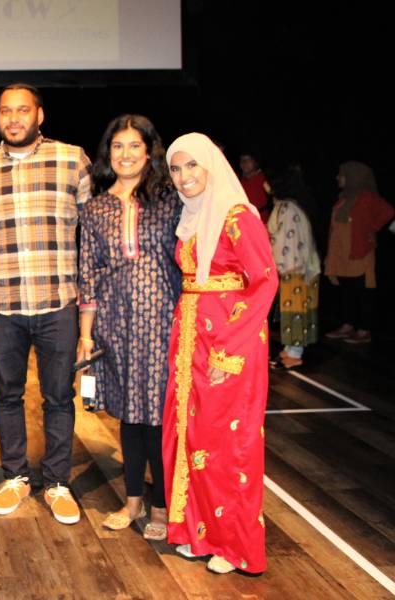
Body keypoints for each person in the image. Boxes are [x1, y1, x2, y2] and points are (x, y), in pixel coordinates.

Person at [0, 83, 91, 524]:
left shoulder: (73, 160)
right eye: (4, 111)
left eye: (22, 110)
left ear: (40, 115)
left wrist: (88, 299)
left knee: (58, 398)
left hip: (58, 303)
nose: (13, 119)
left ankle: (56, 482)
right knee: (6, 395)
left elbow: (94, 234)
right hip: (3, 306)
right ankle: (14, 476)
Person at [163, 132, 278, 574]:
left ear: (212, 165)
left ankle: (234, 545)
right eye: (176, 168)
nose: (184, 176)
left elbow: (264, 281)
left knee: (228, 443)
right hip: (190, 340)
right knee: (193, 438)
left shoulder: (237, 217)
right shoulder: (193, 218)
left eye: (192, 165)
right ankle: (200, 533)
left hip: (229, 344)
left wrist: (227, 348)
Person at [77, 115, 180, 540]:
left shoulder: (170, 201)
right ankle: (132, 499)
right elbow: (89, 274)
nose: (125, 154)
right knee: (130, 416)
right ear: (108, 154)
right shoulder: (96, 209)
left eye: (134, 146)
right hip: (115, 326)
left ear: (150, 150)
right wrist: (86, 335)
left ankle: (162, 505)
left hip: (163, 324)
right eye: (117, 146)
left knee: (156, 417)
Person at [322, 161, 394, 345]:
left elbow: (388, 211)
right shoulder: (344, 197)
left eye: (342, 174)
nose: (338, 178)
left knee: (362, 290)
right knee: (347, 289)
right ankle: (348, 325)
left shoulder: (367, 197)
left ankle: (364, 329)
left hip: (359, 250)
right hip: (342, 251)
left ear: (354, 176)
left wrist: (372, 228)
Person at [267, 167, 320, 368]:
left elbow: (284, 241)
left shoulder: (288, 208)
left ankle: (295, 353)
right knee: (291, 309)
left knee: (296, 309)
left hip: (294, 267)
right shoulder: (287, 206)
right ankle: (290, 349)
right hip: (295, 266)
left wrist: (278, 266)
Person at [239, 152, 270, 222]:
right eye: (242, 160)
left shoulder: (265, 179)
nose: (244, 163)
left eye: (248, 160)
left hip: (262, 221)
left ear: (256, 162)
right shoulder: (238, 180)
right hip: (244, 221)